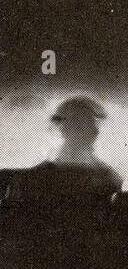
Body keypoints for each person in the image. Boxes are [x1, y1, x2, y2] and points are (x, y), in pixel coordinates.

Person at [1, 96, 121, 232]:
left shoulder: (108, 176)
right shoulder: (109, 176)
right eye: (78, 124)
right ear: (65, 130)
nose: (90, 131)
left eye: (88, 124)